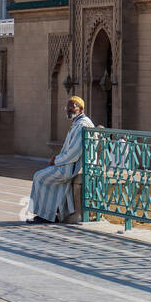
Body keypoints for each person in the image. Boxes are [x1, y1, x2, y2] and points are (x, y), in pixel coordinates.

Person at [28, 96, 93, 224]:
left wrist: (56, 160)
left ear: (81, 108)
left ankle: (45, 215)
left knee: (39, 177)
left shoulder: (82, 125)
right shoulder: (77, 123)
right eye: (67, 106)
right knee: (49, 180)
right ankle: (51, 214)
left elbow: (74, 153)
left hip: (73, 166)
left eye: (72, 106)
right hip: (69, 164)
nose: (69, 109)